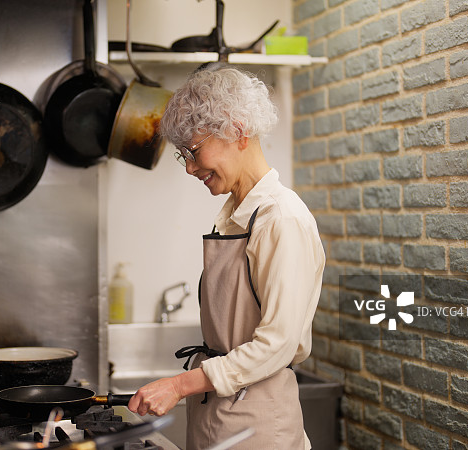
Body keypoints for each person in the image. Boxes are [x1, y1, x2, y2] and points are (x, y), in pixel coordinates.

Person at [126, 64, 325, 450]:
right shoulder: (237, 217)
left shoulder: (281, 219)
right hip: (216, 416)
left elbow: (278, 344)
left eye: (193, 151)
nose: (189, 168)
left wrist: (179, 385)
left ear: (237, 130)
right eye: (183, 155)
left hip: (258, 425)